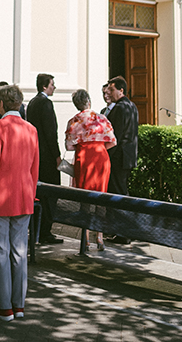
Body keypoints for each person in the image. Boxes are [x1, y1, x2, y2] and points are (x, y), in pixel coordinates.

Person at [0, 84, 39, 322]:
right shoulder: (31, 129)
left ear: (1, 104)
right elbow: (35, 167)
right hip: (23, 197)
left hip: (0, 198)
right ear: (20, 104)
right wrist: (31, 194)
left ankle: (4, 306)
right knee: (19, 251)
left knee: (0, 251)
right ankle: (19, 304)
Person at [64, 88, 116, 250]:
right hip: (101, 158)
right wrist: (98, 148)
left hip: (83, 159)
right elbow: (113, 141)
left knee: (84, 198)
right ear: (89, 101)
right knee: (101, 197)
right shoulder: (101, 118)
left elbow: (69, 146)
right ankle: (99, 237)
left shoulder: (74, 121)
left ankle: (85, 238)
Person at [26, 73, 62, 244]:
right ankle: (45, 231)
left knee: (38, 193)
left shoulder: (32, 102)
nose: (54, 87)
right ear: (45, 86)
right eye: (52, 84)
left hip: (35, 154)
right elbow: (50, 132)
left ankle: (36, 228)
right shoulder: (45, 103)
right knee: (50, 194)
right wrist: (56, 155)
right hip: (46, 156)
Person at [103, 76, 139, 244]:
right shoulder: (133, 106)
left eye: (111, 90)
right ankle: (124, 230)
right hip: (129, 157)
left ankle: (123, 232)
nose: (108, 93)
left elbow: (113, 137)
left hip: (118, 158)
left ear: (121, 90)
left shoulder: (118, 108)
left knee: (117, 195)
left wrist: (106, 157)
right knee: (122, 192)